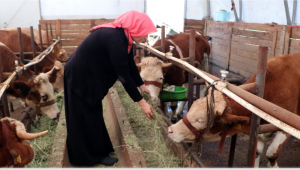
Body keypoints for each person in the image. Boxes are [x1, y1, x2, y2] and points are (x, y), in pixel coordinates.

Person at [63, 10, 157, 166]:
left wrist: (141, 86)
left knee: (93, 112)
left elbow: (130, 65)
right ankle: (85, 158)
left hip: (88, 75)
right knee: (81, 116)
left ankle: (100, 151)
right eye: (145, 33)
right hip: (79, 76)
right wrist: (142, 103)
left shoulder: (123, 37)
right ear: (135, 28)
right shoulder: (116, 39)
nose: (146, 38)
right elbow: (124, 76)